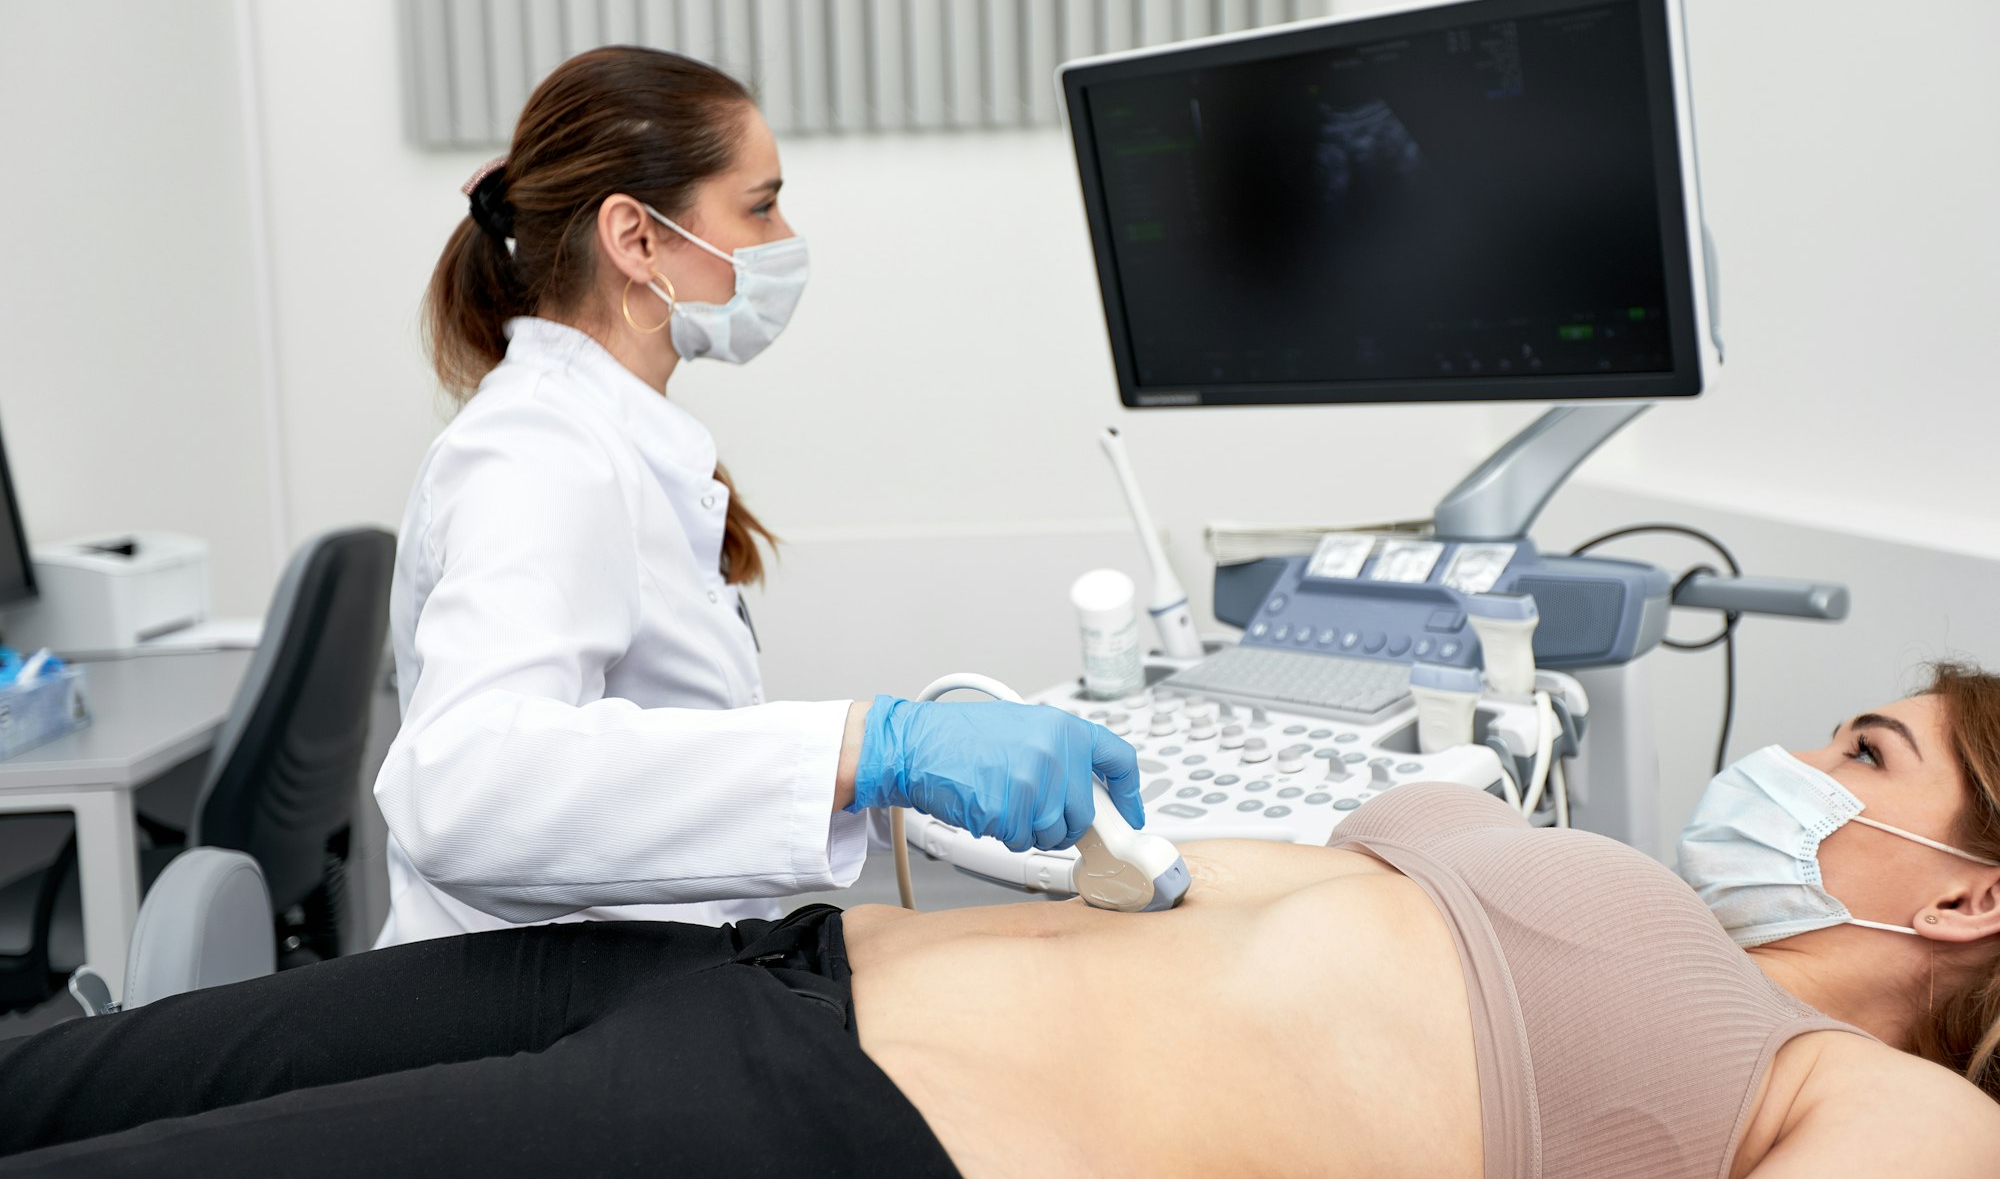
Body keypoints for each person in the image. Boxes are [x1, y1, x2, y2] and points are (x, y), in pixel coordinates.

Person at [7, 663, 2000, 1175]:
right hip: (748, 969)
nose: (1800, 776)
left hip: (832, 1135)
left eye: (1861, 754)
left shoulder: (1890, 1104)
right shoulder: (1649, 898)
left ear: (1971, 895)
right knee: (60, 1083)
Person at [375, 45, 1143, 946]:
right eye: (761, 205)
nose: (784, 243)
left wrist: (874, 770)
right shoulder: (537, 455)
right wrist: (869, 751)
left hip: (653, 975)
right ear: (637, 238)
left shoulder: (609, 436)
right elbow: (467, 787)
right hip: (546, 1016)